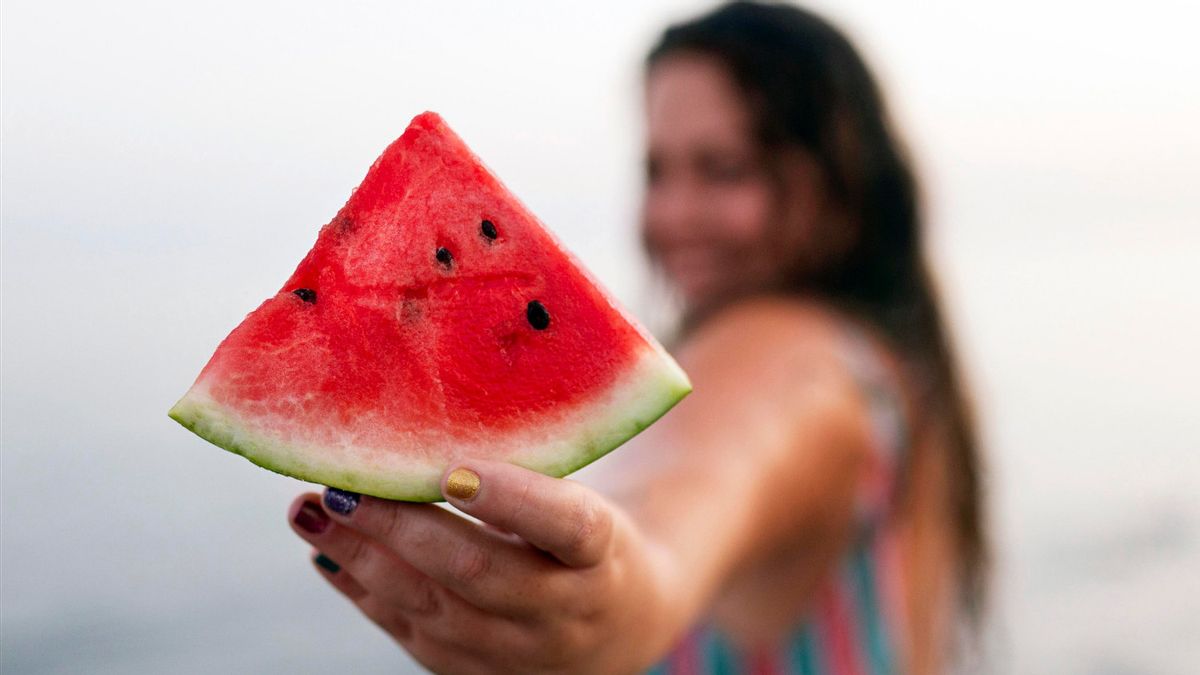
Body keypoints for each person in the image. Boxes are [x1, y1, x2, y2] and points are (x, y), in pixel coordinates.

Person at [286, 1, 986, 672]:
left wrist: (621, 587)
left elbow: (687, 509)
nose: (673, 213)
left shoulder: (796, 356)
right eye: (658, 170)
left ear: (840, 182)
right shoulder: (889, 360)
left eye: (724, 169)